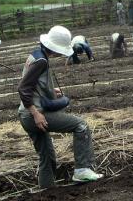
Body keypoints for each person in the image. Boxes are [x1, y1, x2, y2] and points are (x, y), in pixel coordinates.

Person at [17, 25, 103, 188]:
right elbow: (23, 88)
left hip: (24, 114)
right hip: (34, 114)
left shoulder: (36, 55)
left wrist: (49, 90)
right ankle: (82, 170)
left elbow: (32, 84)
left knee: (47, 158)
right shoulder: (41, 61)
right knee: (81, 126)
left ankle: (47, 192)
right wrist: (36, 114)